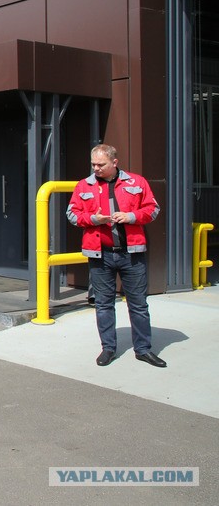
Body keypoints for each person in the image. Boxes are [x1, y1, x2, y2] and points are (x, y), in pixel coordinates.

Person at [66, 144, 166, 368]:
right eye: (93, 164)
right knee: (103, 304)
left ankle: (143, 350)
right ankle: (108, 349)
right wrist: (94, 219)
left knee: (139, 304)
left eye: (101, 165)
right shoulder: (85, 185)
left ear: (114, 162)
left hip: (132, 254)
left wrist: (131, 216)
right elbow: (72, 214)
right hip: (100, 255)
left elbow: (153, 209)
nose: (96, 169)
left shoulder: (137, 182)